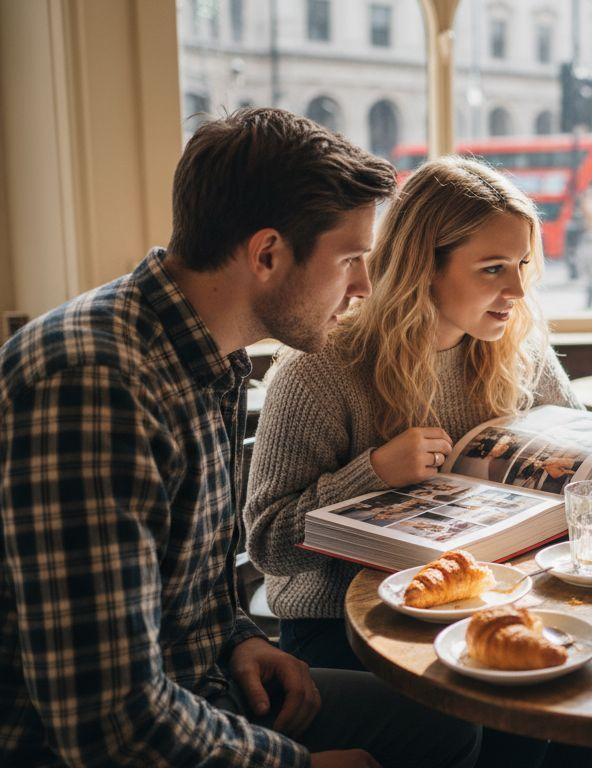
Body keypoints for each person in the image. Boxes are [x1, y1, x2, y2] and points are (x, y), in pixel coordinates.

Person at [0, 107, 479, 767]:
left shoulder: (208, 358)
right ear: (267, 254)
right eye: (349, 260)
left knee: (448, 726)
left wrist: (236, 639)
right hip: (78, 743)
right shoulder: (95, 384)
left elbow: (184, 584)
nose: (365, 288)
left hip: (201, 684)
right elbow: (107, 721)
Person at [243, 156, 592, 768]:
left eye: (521, 266)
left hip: (491, 605)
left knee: (591, 711)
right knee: (521, 727)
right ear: (423, 269)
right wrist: (372, 474)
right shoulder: (319, 371)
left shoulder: (519, 350)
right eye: (493, 269)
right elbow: (266, 544)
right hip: (345, 627)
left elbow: (582, 450)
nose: (517, 291)